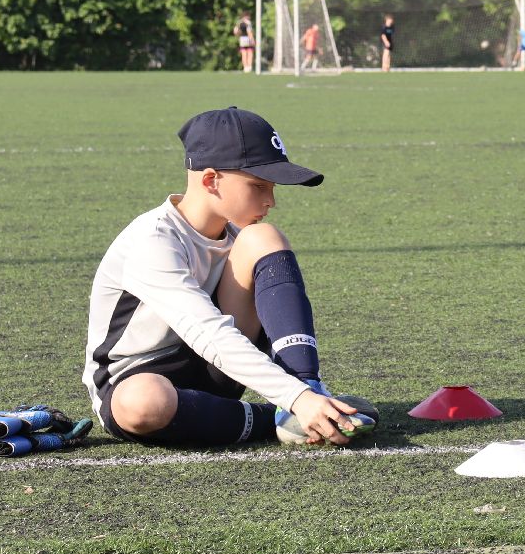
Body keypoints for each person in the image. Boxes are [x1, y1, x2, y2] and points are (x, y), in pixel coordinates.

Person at [83, 107, 372, 449]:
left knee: (264, 237)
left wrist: (303, 392)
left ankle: (309, 389)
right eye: (258, 186)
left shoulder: (241, 236)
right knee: (144, 403)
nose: (271, 200)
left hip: (216, 371)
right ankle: (280, 417)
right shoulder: (152, 240)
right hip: (135, 382)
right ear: (210, 180)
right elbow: (207, 331)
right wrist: (296, 400)